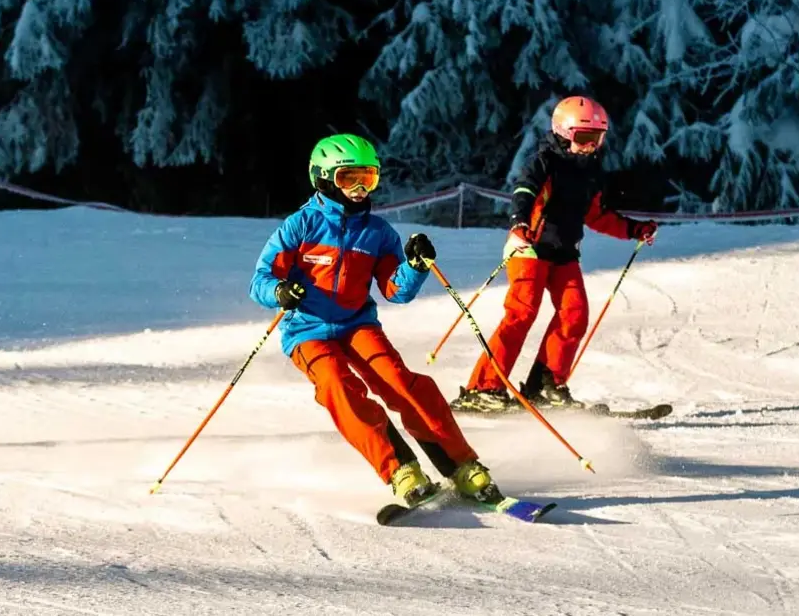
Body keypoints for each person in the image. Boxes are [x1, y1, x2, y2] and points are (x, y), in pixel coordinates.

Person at [250, 133, 505, 506]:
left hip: (356, 325)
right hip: (306, 330)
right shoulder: (300, 226)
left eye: (367, 178)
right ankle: (401, 469)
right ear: (322, 179)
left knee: (401, 382)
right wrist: (280, 292)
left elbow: (395, 289)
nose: (358, 188)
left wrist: (415, 266)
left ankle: (462, 466)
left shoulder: (377, 233)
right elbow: (261, 279)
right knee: (337, 386)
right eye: (348, 178)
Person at [455, 96, 657, 413]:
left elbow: (597, 216)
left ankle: (545, 385)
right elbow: (523, 193)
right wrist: (519, 223)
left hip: (564, 254)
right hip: (530, 248)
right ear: (564, 133)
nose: (591, 147)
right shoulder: (544, 163)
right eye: (584, 139)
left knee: (574, 315)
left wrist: (634, 229)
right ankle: (484, 389)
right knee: (521, 314)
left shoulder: (590, 173)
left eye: (597, 139)